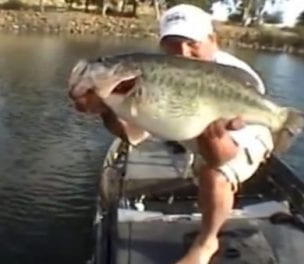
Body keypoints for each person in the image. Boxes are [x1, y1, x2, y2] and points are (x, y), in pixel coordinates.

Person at [70, 4, 274, 264]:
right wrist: (107, 109)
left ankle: (206, 243)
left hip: (243, 133)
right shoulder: (150, 75)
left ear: (213, 41)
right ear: (162, 46)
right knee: (204, 156)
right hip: (192, 121)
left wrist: (213, 142)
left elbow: (222, 157)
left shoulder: (240, 78)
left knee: (215, 174)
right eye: (173, 44)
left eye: (192, 43)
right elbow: (131, 136)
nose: (183, 53)